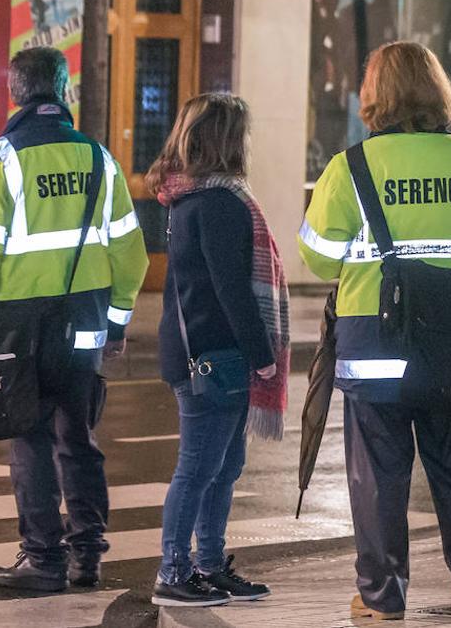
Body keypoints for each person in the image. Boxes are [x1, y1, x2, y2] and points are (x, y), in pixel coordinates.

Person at [298, 42, 451, 620]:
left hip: (376, 346)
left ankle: (381, 599)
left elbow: (319, 257)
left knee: (378, 478)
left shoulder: (351, 168)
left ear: (375, 97)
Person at [0, 47, 149, 592]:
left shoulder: (0, 159)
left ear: (15, 92)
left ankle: (43, 559)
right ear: (64, 90)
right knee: (76, 434)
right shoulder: (99, 159)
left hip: (19, 324)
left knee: (30, 435)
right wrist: (118, 322)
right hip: (84, 320)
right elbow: (131, 254)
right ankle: (87, 556)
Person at [144, 93, 290, 607]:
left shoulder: (191, 198)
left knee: (222, 468)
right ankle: (174, 570)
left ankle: (207, 564)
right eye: (243, 133)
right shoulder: (221, 203)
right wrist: (263, 354)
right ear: (229, 140)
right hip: (213, 355)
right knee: (200, 469)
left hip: (199, 351)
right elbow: (231, 288)